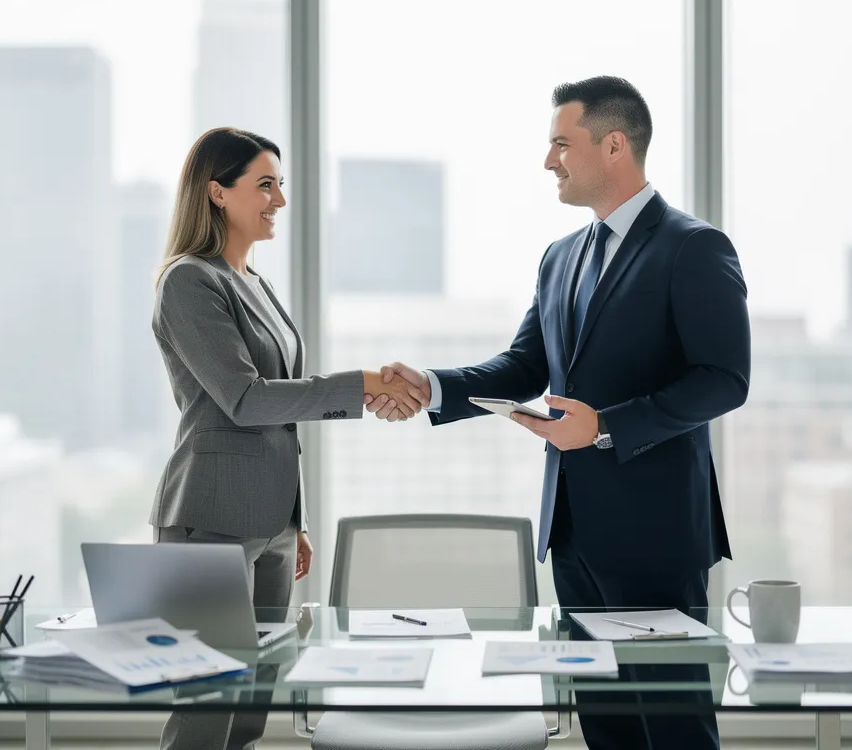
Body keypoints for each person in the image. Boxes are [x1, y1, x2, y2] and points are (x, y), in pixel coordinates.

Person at [370, 76, 750, 750]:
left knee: (673, 726)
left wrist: (605, 426)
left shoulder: (693, 248)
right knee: (602, 723)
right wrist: (429, 384)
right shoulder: (560, 258)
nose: (549, 161)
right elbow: (523, 367)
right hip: (571, 534)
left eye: (560, 144)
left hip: (656, 537)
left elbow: (724, 380)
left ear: (612, 145)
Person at [150, 126, 421, 750]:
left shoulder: (255, 282)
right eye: (263, 184)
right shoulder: (189, 281)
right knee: (203, 716)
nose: (278, 198)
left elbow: (282, 408)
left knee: (250, 711)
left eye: (280, 184)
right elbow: (246, 400)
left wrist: (290, 520)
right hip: (209, 520)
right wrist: (361, 385)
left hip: (268, 523)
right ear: (217, 193)